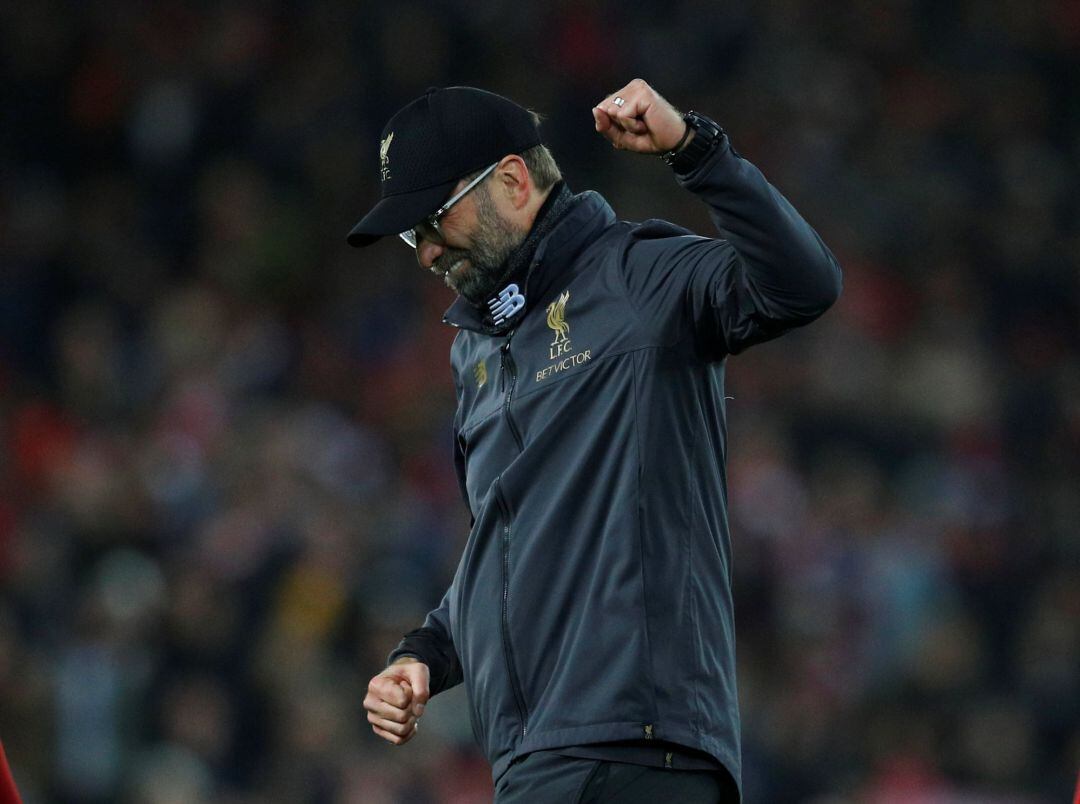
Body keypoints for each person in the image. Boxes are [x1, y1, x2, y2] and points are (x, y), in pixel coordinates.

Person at [351, 79, 842, 803]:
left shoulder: (637, 275)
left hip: (631, 747)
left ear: (513, 181)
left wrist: (696, 151)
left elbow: (803, 285)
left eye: (432, 220)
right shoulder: (478, 353)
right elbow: (515, 541)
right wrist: (427, 653)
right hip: (542, 755)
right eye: (410, 234)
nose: (424, 253)